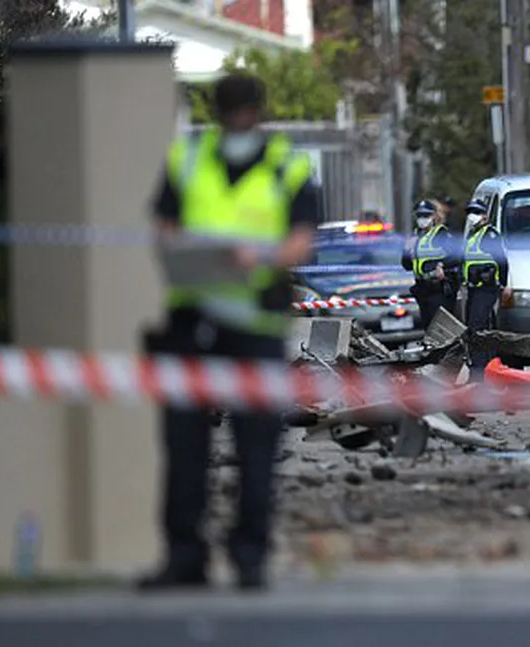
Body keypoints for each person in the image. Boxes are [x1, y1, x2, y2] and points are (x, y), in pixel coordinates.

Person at [140, 72, 319, 592]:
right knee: (185, 445)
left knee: (257, 445)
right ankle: (184, 556)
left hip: (255, 325)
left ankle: (249, 557)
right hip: (193, 319)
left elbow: (300, 243)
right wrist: (199, 252)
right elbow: (163, 228)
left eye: (244, 111)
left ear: (256, 112)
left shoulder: (287, 163)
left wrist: (256, 258)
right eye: (232, 111)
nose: (239, 120)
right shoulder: (189, 159)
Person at [461, 198, 510, 381]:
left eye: (475, 212)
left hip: (486, 289)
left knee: (478, 330)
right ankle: (484, 370)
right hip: (473, 290)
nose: (471, 216)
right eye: (469, 212)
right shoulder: (472, 235)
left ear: (484, 215)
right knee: (475, 330)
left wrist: (503, 284)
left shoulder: (490, 235)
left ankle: (478, 375)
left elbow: (502, 261)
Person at [401, 199, 459, 328]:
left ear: (434, 216)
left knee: (439, 327)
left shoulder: (441, 234)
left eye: (426, 215)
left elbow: (457, 257)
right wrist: (406, 250)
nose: (422, 219)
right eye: (419, 216)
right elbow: (407, 266)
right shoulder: (414, 237)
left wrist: (441, 265)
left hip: (438, 289)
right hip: (422, 288)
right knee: (427, 327)